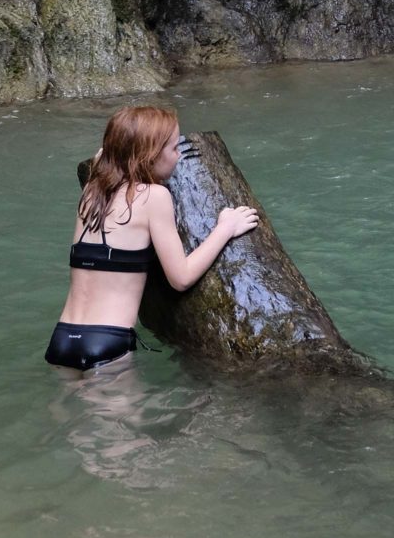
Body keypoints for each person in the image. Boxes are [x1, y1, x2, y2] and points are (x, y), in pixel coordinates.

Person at [46, 104, 258, 371]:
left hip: (62, 339)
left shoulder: (92, 190)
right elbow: (180, 278)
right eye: (173, 148)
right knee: (122, 415)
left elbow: (104, 154)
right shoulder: (153, 197)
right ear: (150, 156)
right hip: (107, 341)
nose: (179, 155)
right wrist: (226, 227)